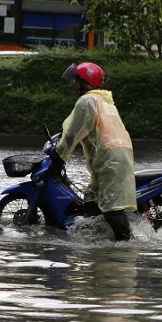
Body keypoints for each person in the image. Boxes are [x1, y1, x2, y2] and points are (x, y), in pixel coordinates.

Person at [53, 62, 136, 241]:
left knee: (111, 206)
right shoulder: (104, 101)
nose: (74, 85)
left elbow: (73, 133)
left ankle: (127, 244)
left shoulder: (87, 101)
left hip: (110, 157)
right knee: (91, 198)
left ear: (85, 82)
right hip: (118, 154)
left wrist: (59, 156)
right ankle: (96, 237)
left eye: (76, 81)